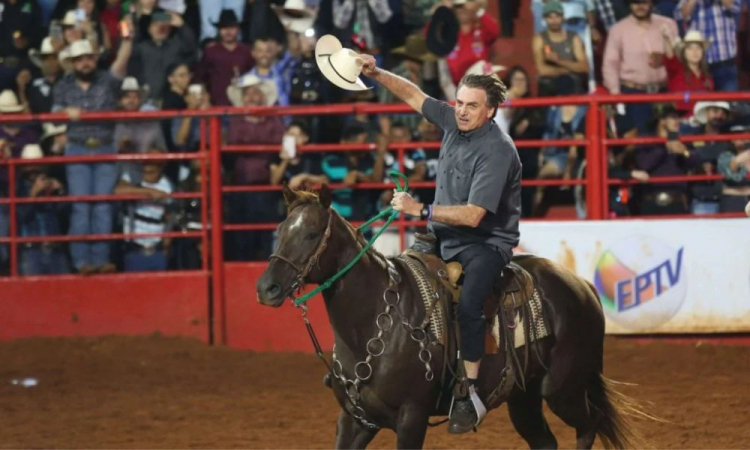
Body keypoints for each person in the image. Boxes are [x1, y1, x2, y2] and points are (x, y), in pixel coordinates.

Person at [359, 48, 521, 434]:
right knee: (397, 280)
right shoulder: (453, 120)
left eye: (472, 106)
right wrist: (375, 72)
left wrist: (421, 209)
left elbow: (474, 215)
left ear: (491, 111)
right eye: (459, 103)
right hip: (443, 236)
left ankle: (470, 392)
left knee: (468, 306)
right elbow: (413, 95)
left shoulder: (497, 150)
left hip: (485, 243)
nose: (461, 111)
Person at [51, 37, 133, 274]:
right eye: (80, 59)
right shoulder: (63, 85)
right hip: (77, 146)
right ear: (73, 63)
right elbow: (54, 113)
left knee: (102, 204)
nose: (85, 63)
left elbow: (121, 61)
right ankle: (82, 262)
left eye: (88, 58)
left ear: (95, 59)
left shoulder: (107, 81)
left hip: (104, 146)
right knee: (81, 204)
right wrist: (66, 112)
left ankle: (99, 260)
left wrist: (126, 40)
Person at [226, 74, 285, 261]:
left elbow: (278, 144)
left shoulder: (274, 121)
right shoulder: (235, 121)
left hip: (267, 186)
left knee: (266, 233)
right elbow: (234, 144)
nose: (252, 97)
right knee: (242, 235)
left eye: (256, 92)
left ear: (263, 97)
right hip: (241, 186)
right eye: (248, 93)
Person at [602, 0, 678, 134]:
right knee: (642, 140)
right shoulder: (618, 29)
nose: (639, 7)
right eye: (635, 3)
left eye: (643, 2)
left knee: (669, 137)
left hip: (665, 91)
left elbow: (680, 57)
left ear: (652, 3)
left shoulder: (668, 24)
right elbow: (610, 64)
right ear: (629, 5)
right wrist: (616, 97)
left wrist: (664, 59)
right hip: (634, 93)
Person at [15, 144, 71, 275]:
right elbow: (18, 217)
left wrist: (60, 192)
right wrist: (32, 195)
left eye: (38, 167)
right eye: (31, 167)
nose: (35, 171)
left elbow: (66, 215)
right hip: (30, 250)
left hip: (55, 249)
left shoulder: (50, 184)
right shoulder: (17, 187)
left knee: (64, 292)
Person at [115, 146, 174, 272]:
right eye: (147, 159)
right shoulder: (131, 177)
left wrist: (167, 238)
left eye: (154, 161)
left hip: (157, 249)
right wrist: (148, 192)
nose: (149, 163)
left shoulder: (168, 185)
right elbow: (118, 191)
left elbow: (170, 214)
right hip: (133, 249)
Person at [127, 10, 196, 104]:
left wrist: (182, 25)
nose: (159, 29)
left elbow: (192, 47)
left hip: (173, 100)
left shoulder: (175, 46)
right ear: (149, 29)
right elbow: (126, 50)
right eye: (155, 25)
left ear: (169, 29)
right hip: (149, 100)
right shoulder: (142, 48)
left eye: (164, 26)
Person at [675, 0, 741, 91]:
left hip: (725, 64)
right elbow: (680, 15)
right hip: (699, 67)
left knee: (729, 103)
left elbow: (735, 6)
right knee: (701, 104)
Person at [196, 9, 254, 106]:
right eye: (224, 28)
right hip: (216, 104)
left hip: (242, 104)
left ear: (238, 29)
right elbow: (200, 77)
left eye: (231, 27)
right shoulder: (210, 52)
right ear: (219, 30)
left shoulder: (247, 51)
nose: (228, 32)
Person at [531, 1, 589, 97]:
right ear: (545, 19)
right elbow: (541, 70)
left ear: (563, 18)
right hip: (550, 84)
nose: (554, 21)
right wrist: (568, 69)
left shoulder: (574, 37)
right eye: (550, 17)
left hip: (573, 82)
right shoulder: (540, 39)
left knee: (568, 81)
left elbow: (584, 67)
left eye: (557, 16)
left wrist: (560, 61)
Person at [445, 0, 500, 85]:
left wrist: (478, 10)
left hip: (480, 82)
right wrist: (443, 11)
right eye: (458, 8)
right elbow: (429, 35)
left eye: (465, 7)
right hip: (453, 85)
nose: (461, 10)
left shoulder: (481, 30)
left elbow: (494, 31)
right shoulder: (447, 32)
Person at [662, 29, 713, 116]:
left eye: (698, 48)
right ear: (684, 52)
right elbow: (670, 57)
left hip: (703, 121)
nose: (695, 52)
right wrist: (666, 39)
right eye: (690, 48)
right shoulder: (676, 70)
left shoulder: (707, 78)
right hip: (682, 121)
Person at [269, 121, 327, 189]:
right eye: (290, 135)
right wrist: (285, 161)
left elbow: (325, 181)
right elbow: (274, 182)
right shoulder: (277, 156)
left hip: (307, 197)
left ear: (305, 138)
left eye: (296, 136)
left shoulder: (312, 156)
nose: (293, 139)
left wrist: (305, 177)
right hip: (285, 198)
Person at [716, 124, 750, 213]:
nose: (743, 138)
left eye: (746, 134)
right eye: (739, 135)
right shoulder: (725, 156)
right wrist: (737, 161)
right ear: (732, 139)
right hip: (732, 201)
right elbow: (732, 176)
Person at [26, 37, 62, 113]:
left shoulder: (68, 82)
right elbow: (29, 111)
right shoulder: (34, 85)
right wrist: (21, 89)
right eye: (46, 59)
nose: (50, 63)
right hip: (39, 124)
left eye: (54, 58)